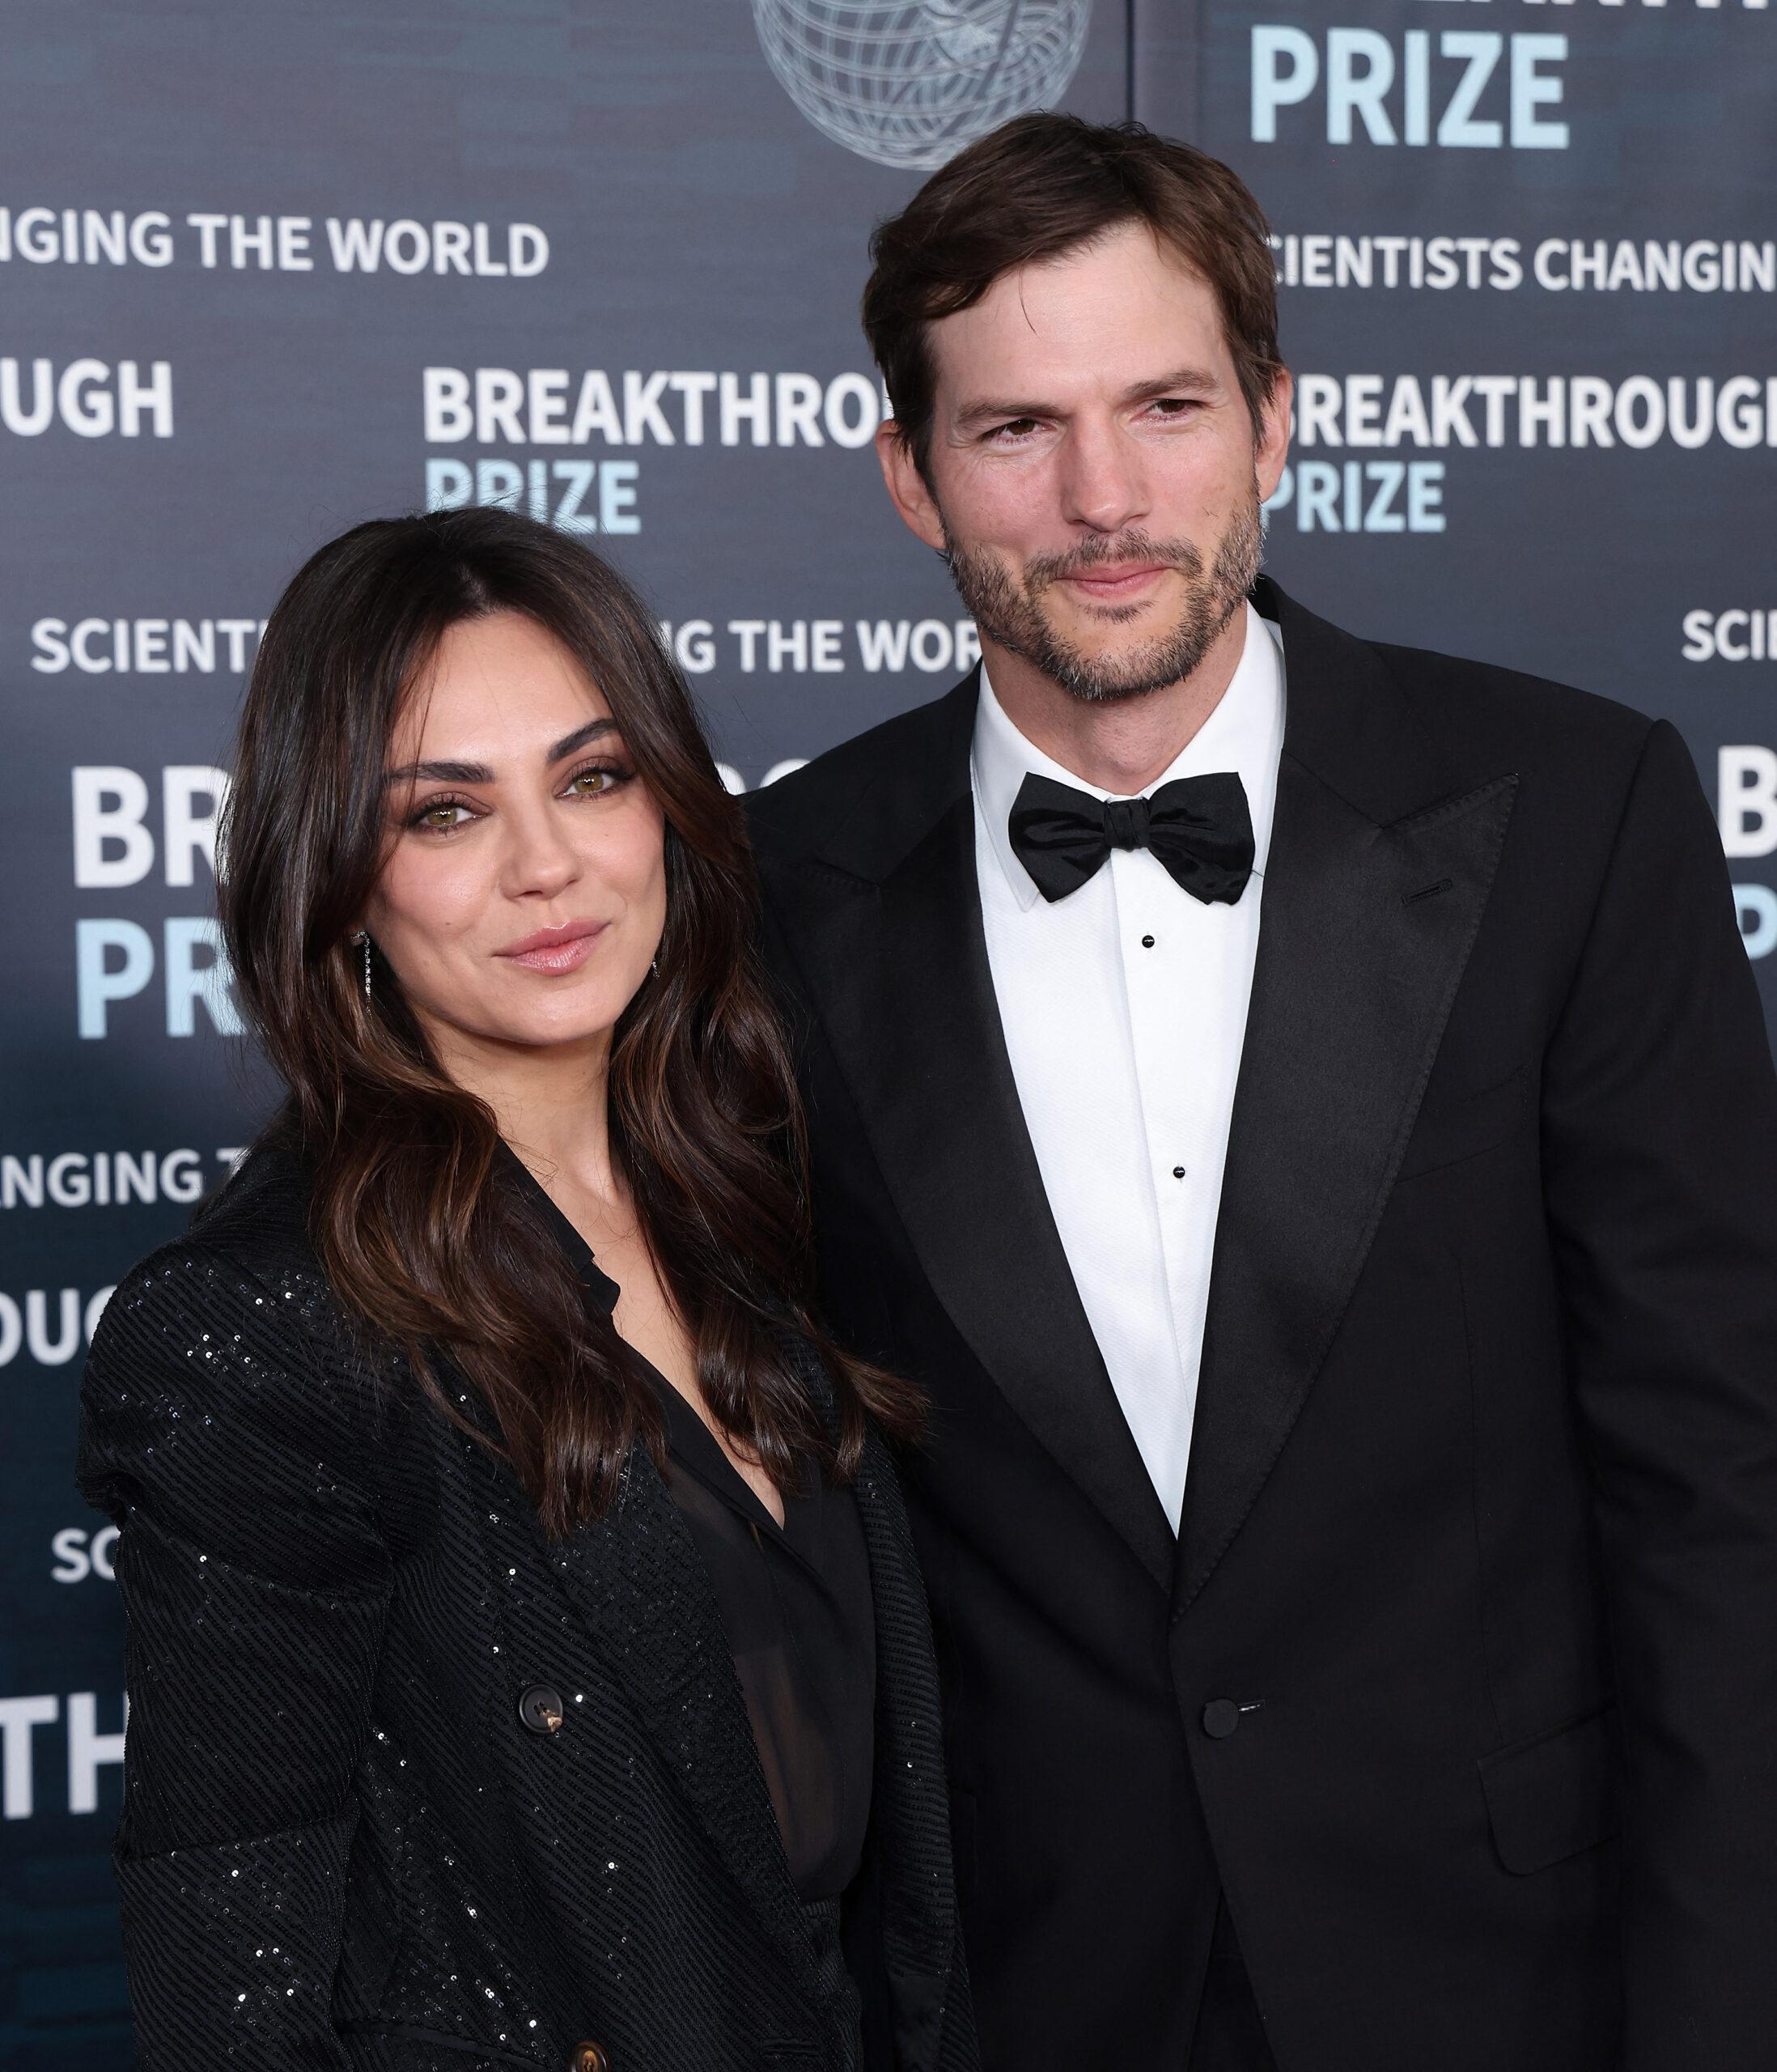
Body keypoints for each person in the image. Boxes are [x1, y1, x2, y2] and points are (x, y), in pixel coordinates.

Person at [744, 112, 1777, 2072]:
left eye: (1167, 406)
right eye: (1017, 428)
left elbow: (1721, 1485)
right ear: (908, 475)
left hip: (1511, 1979)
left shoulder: (1576, 816)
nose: (1105, 498)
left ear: (1276, 421)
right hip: (1025, 1997)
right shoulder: (776, 893)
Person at [77, 507, 976, 2072]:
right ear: (339, 879)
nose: (547, 864)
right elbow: (235, 1985)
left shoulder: (763, 1198)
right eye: (445, 813)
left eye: (593, 778)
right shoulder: (263, 1332)